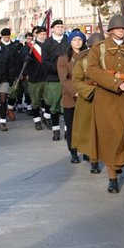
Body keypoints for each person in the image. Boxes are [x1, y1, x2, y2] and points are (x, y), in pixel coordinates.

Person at [86, 15, 124, 194]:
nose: (121, 30)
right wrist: (114, 82)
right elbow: (91, 70)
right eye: (118, 28)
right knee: (110, 140)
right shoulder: (99, 48)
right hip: (107, 101)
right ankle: (112, 179)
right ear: (110, 30)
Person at [71, 32, 104, 174]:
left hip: (108, 100)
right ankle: (94, 161)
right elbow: (76, 81)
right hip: (88, 101)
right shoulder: (82, 62)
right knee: (90, 133)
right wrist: (92, 90)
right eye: (95, 47)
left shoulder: (109, 60)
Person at [57, 30, 87, 163]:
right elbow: (64, 79)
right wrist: (75, 92)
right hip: (71, 97)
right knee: (72, 127)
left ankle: (87, 150)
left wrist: (86, 91)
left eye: (80, 39)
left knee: (86, 125)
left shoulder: (89, 56)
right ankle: (73, 151)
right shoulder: (64, 58)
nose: (77, 42)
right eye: (74, 40)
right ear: (70, 42)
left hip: (86, 95)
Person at [42, 19, 69, 140]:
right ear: (52, 28)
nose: (60, 28)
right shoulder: (47, 43)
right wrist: (57, 69)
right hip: (53, 78)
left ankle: (67, 130)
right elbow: (45, 61)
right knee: (54, 106)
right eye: (58, 26)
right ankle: (56, 130)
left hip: (67, 78)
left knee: (67, 105)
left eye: (61, 26)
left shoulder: (67, 41)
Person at [24, 26, 49, 130]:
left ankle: (47, 118)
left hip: (47, 76)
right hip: (35, 77)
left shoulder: (49, 44)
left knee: (48, 100)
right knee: (35, 101)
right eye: (41, 34)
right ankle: (37, 120)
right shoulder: (30, 46)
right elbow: (24, 56)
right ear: (36, 35)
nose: (43, 36)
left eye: (44, 34)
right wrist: (26, 57)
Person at [0, 28, 23, 121]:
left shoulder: (14, 46)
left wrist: (20, 73)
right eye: (5, 37)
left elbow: (18, 61)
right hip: (1, 74)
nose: (6, 39)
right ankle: (3, 110)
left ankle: (10, 109)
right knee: (3, 94)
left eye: (8, 37)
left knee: (13, 93)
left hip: (13, 73)